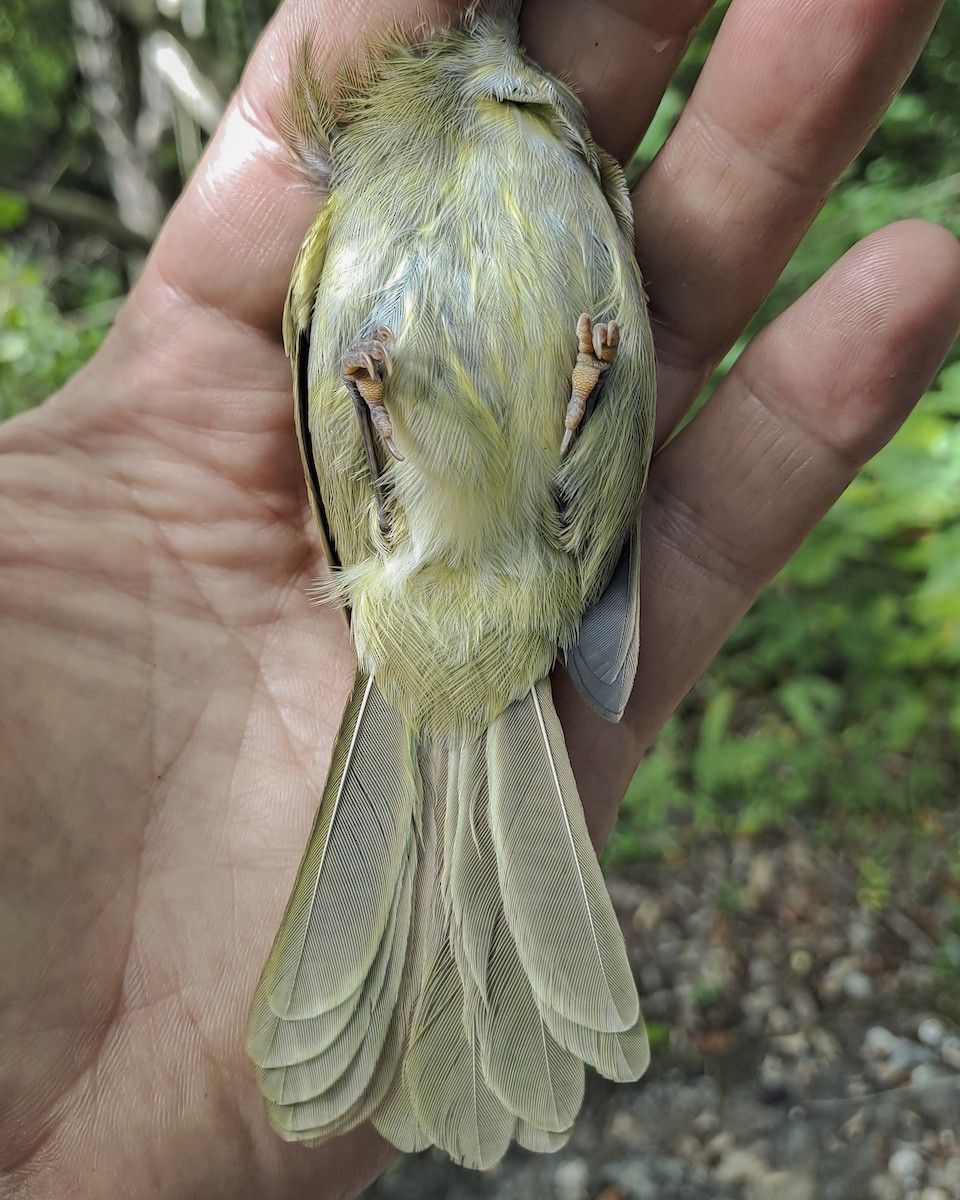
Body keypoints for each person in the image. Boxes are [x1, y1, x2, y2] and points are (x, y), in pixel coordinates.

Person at [1, 0, 958, 1196]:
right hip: (416, 585)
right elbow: (329, 445)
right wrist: (386, 420)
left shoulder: (560, 168)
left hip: (516, 570)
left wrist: (567, 418)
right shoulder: (378, 178)